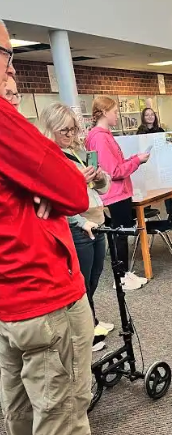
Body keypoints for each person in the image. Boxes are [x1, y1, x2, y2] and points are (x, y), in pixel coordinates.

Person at [0, 20, 138, 435]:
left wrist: (45, 191)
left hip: (10, 296)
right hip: (42, 291)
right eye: (8, 58)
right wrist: (52, 188)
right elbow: (68, 188)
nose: (13, 70)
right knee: (60, 405)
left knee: (19, 399)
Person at [39, 102, 113, 352]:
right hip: (78, 226)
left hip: (96, 217)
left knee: (93, 279)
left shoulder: (77, 151)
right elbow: (55, 201)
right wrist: (78, 185)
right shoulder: (49, 158)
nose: (71, 136)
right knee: (81, 284)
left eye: (73, 130)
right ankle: (85, 333)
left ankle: (90, 323)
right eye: (64, 131)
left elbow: (102, 189)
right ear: (51, 130)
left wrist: (100, 177)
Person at [86, 95, 150, 291]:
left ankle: (123, 274)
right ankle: (121, 277)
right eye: (114, 112)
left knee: (119, 234)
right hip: (115, 194)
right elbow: (113, 172)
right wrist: (137, 161)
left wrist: (134, 159)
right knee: (119, 235)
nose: (117, 116)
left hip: (115, 193)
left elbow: (114, 165)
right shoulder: (101, 138)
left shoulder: (101, 136)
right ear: (104, 112)